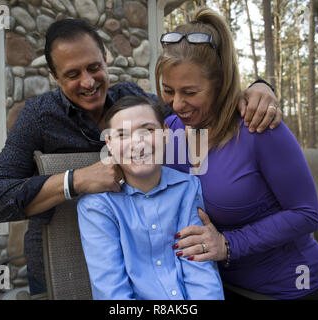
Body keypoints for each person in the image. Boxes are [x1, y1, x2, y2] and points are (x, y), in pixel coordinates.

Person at [0, 18, 280, 296]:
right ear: (53, 75)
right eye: (71, 74)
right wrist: (76, 180)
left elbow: (190, 104)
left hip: (151, 266)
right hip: (60, 264)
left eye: (94, 67)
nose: (88, 81)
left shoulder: (131, 98)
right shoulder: (38, 117)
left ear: (106, 57)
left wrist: (257, 87)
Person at [157, 7, 318, 300]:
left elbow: (306, 214)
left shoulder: (258, 127)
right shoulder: (171, 130)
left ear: (220, 83)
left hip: (289, 288)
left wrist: (228, 244)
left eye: (189, 92)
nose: (176, 104)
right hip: (215, 288)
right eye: (167, 90)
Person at [77, 96, 224, 300]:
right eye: (122, 135)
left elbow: (199, 270)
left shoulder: (187, 187)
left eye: (147, 130)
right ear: (109, 144)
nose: (137, 143)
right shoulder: (97, 207)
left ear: (165, 132)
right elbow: (112, 292)